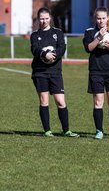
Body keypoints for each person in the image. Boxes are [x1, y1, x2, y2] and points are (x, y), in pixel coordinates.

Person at [30, 7, 79, 137]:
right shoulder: (35, 35)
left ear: (50, 18)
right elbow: (34, 50)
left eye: (46, 18)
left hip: (55, 72)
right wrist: (44, 54)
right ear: (38, 19)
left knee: (60, 101)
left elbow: (62, 47)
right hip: (40, 72)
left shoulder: (58, 33)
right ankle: (47, 131)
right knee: (44, 100)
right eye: (41, 18)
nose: (44, 21)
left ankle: (66, 130)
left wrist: (54, 55)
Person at [83, 7, 109, 139]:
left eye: (103, 18)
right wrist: (99, 38)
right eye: (98, 18)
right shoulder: (90, 32)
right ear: (95, 19)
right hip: (96, 71)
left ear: (108, 18)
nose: (101, 20)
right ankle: (99, 131)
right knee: (98, 102)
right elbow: (88, 48)